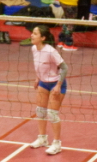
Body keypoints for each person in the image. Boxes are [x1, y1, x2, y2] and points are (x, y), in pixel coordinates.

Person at [28, 25, 68, 155]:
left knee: (52, 114)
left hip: (56, 83)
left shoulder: (50, 51)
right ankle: (42, 139)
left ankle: (57, 144)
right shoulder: (34, 48)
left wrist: (58, 85)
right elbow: (39, 65)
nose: (31, 35)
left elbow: (64, 68)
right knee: (40, 111)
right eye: (32, 33)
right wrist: (37, 78)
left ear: (43, 38)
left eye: (35, 33)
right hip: (43, 83)